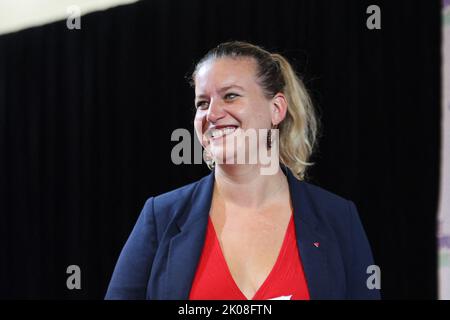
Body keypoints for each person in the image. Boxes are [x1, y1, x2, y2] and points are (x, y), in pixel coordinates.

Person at [105, 41, 381, 300]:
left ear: (276, 109)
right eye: (202, 103)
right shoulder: (161, 216)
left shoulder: (338, 217)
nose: (212, 114)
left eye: (231, 96)